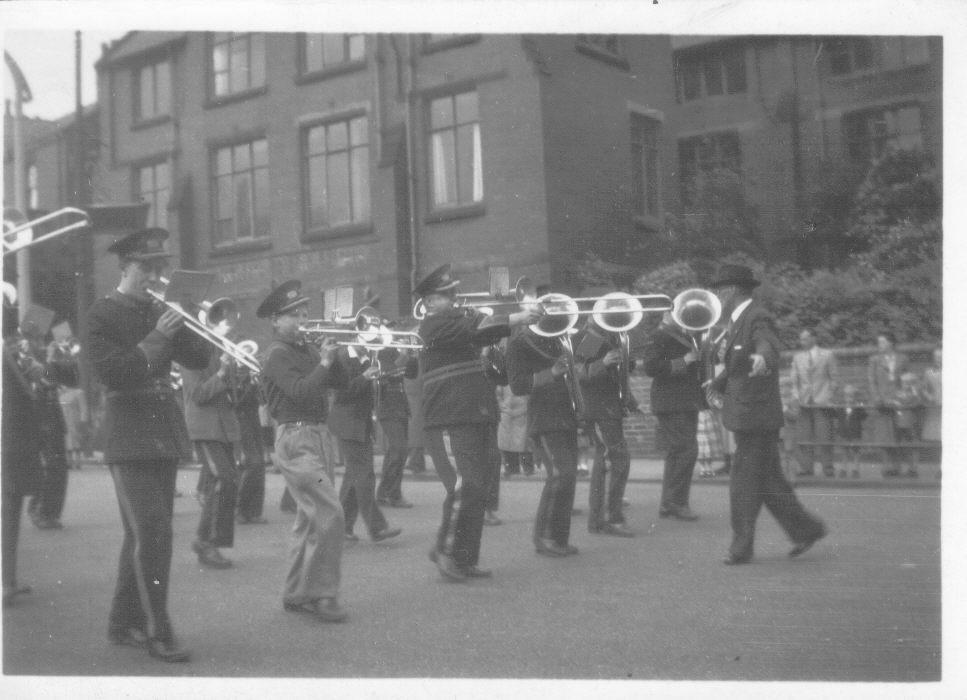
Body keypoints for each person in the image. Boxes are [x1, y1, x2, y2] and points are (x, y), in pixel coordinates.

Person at [85, 227, 210, 662]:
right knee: (153, 532)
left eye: (159, 267)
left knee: (142, 532)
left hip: (162, 430)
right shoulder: (102, 314)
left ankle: (123, 622)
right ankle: (159, 628)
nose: (154, 276)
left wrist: (190, 318)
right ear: (125, 267)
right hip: (128, 431)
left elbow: (199, 359)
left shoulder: (161, 309)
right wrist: (159, 334)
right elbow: (115, 373)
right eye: (145, 268)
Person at [414, 264, 538, 581]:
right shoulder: (431, 326)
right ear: (429, 302)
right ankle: (446, 551)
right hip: (450, 415)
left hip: (477, 411)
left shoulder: (462, 321)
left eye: (454, 293)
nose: (454, 299)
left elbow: (494, 365)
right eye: (446, 295)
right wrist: (518, 317)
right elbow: (478, 330)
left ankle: (465, 557)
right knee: (465, 484)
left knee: (479, 489)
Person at [707, 264, 827, 565]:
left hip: (755, 417)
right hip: (750, 414)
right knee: (769, 482)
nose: (718, 295)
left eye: (721, 289)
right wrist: (718, 383)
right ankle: (806, 530)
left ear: (733, 291)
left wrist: (763, 356)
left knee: (743, 482)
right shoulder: (737, 321)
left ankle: (741, 548)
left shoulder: (756, 316)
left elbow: (766, 343)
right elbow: (738, 361)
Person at [257, 280, 348, 622]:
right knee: (331, 511)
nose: (302, 319)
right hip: (296, 438)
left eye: (304, 312)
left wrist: (335, 357)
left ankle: (296, 592)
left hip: (319, 436)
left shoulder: (307, 350)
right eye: (293, 315)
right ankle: (322, 593)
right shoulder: (277, 354)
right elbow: (300, 393)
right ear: (276, 321)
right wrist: (323, 363)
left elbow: (343, 385)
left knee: (309, 518)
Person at [506, 311, 582, 558]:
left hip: (566, 413)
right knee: (562, 474)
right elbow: (518, 385)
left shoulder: (563, 338)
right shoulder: (520, 343)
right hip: (545, 415)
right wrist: (552, 373)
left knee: (566, 477)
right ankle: (545, 537)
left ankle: (557, 538)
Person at [328, 343, 402, 544]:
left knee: (354, 478)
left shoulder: (365, 358)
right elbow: (341, 393)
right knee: (364, 476)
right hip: (348, 423)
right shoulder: (342, 357)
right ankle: (377, 528)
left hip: (359, 424)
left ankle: (341, 528)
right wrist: (365, 377)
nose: (370, 342)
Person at [574, 315, 637, 535]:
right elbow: (577, 373)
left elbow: (619, 375)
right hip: (599, 410)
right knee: (617, 460)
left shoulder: (610, 337)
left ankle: (599, 520)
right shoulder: (590, 339)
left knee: (607, 462)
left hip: (607, 408)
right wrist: (604, 362)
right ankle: (612, 518)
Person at [2, 285, 44, 607]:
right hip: (9, 437)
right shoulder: (9, 349)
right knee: (8, 509)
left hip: (11, 435)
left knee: (10, 508)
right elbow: (34, 386)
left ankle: (9, 579)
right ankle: (6, 581)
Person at [642, 310, 704, 522]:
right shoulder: (658, 335)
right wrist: (684, 361)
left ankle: (668, 504)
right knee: (688, 450)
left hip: (685, 402)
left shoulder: (685, 335)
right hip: (671, 402)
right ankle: (677, 502)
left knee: (676, 453)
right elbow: (650, 367)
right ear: (668, 315)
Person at [181, 349, 240, 569]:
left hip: (224, 428)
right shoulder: (191, 357)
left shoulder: (218, 354)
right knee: (222, 479)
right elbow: (199, 395)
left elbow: (233, 396)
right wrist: (223, 373)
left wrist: (236, 374)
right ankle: (206, 542)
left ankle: (206, 540)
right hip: (205, 428)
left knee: (228, 481)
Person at [24, 325, 80, 530]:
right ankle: (40, 510)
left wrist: (68, 359)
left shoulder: (49, 354)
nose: (40, 340)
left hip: (53, 415)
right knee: (50, 467)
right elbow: (42, 379)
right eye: (36, 337)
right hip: (38, 416)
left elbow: (73, 380)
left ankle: (51, 512)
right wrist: (49, 359)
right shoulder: (25, 355)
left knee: (60, 466)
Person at [789, 329, 839, 478]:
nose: (802, 342)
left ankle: (828, 467)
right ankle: (806, 468)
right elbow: (794, 380)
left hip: (822, 401)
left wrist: (829, 397)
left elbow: (834, 378)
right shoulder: (798, 357)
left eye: (805, 339)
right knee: (804, 437)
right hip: (804, 401)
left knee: (824, 436)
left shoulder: (827, 355)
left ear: (813, 338)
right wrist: (796, 396)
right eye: (801, 339)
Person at [375, 345, 415, 509]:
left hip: (401, 407)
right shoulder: (383, 352)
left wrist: (413, 356)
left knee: (399, 452)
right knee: (399, 449)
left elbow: (412, 374)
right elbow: (388, 373)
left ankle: (387, 493)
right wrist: (404, 355)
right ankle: (390, 493)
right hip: (388, 407)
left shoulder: (400, 353)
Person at [867, 331, 909, 477]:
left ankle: (897, 466)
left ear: (890, 343)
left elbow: (906, 380)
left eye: (883, 342)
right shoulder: (874, 360)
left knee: (897, 434)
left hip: (898, 401)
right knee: (883, 434)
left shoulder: (902, 358)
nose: (880, 345)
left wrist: (902, 397)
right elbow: (871, 381)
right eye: (879, 343)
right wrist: (877, 398)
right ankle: (886, 466)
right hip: (881, 401)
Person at [234, 362, 268, 524]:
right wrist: (250, 386)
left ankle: (254, 511)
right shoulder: (232, 379)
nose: (243, 372)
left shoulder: (251, 380)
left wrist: (260, 384)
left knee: (260, 466)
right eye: (241, 370)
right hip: (239, 422)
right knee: (252, 463)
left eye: (245, 370)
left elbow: (264, 401)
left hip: (254, 422)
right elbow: (236, 403)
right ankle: (240, 508)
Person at [836, 384, 868, 479]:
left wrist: (859, 406)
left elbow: (864, 416)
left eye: (851, 395)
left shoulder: (858, 406)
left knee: (856, 451)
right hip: (844, 431)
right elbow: (836, 415)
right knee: (844, 450)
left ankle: (855, 469)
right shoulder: (841, 406)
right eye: (847, 395)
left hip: (855, 431)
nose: (849, 398)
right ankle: (843, 469)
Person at [920, 346, 941, 443]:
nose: (939, 359)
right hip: (935, 404)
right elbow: (924, 388)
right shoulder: (929, 372)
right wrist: (929, 396)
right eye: (936, 357)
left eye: (941, 356)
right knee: (934, 434)